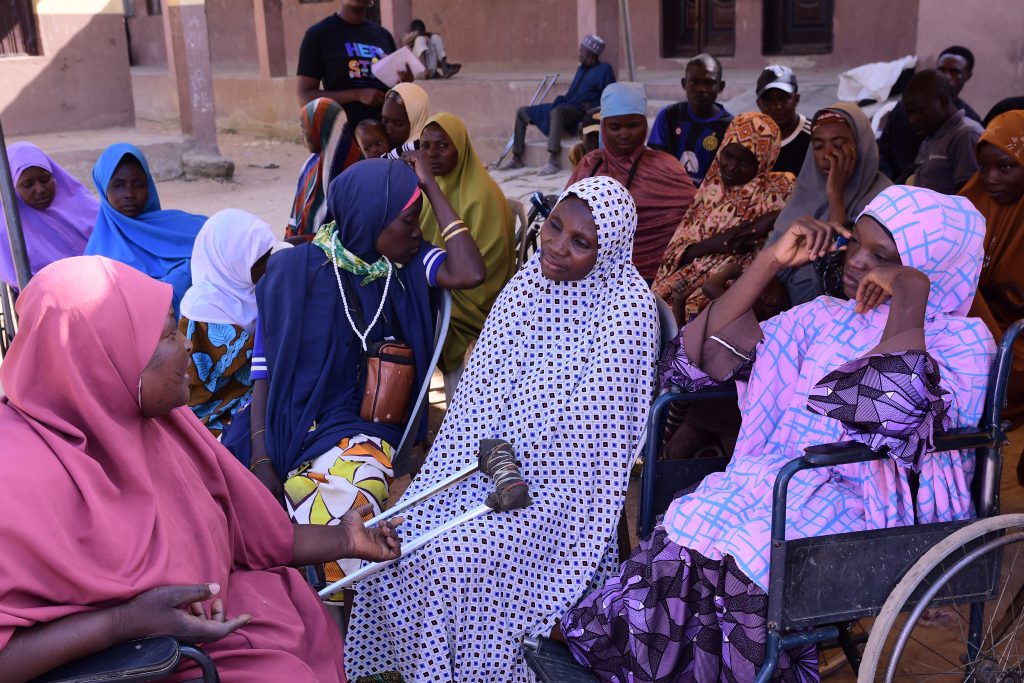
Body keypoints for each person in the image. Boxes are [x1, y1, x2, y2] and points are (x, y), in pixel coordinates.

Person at [563, 185, 994, 680]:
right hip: (784, 477)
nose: (857, 261)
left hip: (869, 502)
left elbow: (888, 415)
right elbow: (702, 357)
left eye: (884, 257)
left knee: (748, 549)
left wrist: (911, 292)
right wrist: (770, 260)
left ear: (931, 267)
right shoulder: (827, 315)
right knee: (693, 523)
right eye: (856, 242)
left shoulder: (961, 342)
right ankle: (650, 663)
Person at [0, 255, 404, 682]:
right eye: (169, 334)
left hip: (220, 624)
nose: (188, 344)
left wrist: (345, 539)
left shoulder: (164, 424)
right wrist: (125, 622)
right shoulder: (18, 481)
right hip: (140, 662)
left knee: (300, 613)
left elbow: (253, 536)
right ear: (105, 360)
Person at [346, 176, 659, 683]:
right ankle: (411, 669)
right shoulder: (529, 280)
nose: (557, 247)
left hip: (558, 492)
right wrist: (487, 459)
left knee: (446, 560)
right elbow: (479, 393)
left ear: (609, 252)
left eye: (581, 242)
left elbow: (590, 444)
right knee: (394, 538)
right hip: (487, 463)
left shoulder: (627, 311)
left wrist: (512, 464)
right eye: (554, 227)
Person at [237, 158, 485, 593]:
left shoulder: (406, 264)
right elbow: (265, 373)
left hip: (364, 429)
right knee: (228, 497)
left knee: (348, 506)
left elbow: (470, 271)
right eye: (408, 221)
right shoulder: (293, 271)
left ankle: (336, 605)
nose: (418, 233)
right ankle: (282, 597)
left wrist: (431, 186)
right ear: (371, 218)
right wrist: (260, 457)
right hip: (283, 420)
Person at [653, 112, 795, 322]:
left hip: (733, 283)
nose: (732, 167)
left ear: (764, 160)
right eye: (728, 155)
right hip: (685, 279)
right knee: (650, 311)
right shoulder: (711, 189)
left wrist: (765, 221)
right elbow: (677, 252)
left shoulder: (779, 188)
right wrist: (729, 239)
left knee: (691, 322)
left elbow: (797, 216)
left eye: (744, 161)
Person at [417, 113, 517, 398]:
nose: (432, 154)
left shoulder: (481, 196)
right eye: (425, 146)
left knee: (410, 317)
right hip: (445, 282)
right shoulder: (432, 187)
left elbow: (486, 272)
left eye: (443, 145)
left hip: (474, 301)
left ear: (460, 147)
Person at [567, 83, 696, 282]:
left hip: (654, 280)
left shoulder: (667, 168)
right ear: (603, 127)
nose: (624, 134)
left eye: (633, 125)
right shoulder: (590, 165)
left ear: (644, 124)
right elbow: (566, 220)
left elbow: (695, 219)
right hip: (591, 277)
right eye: (615, 127)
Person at [767, 103, 892, 305]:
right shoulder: (807, 189)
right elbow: (770, 257)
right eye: (818, 146)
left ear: (861, 145)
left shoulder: (884, 201)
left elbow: (836, 276)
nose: (827, 155)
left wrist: (835, 195)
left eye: (839, 145)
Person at [179, 209, 277, 437]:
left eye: (269, 255)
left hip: (258, 392)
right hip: (213, 405)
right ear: (232, 264)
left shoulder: (257, 289)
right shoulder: (201, 309)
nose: (269, 266)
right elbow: (197, 381)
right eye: (260, 262)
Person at [84, 143, 206, 315]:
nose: (129, 194)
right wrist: (183, 274)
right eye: (119, 185)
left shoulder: (185, 226)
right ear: (104, 188)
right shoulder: (97, 257)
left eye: (139, 184)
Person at [963, 112, 1024, 437]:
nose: (990, 179)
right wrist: (988, 292)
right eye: (983, 167)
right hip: (978, 326)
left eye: (1006, 167)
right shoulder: (972, 201)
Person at [504, 34, 615, 175]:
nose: (579, 54)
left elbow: (609, 96)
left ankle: (553, 160)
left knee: (557, 112)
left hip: (581, 111)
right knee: (522, 112)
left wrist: (593, 106)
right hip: (566, 103)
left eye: (582, 51)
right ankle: (517, 157)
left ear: (590, 53)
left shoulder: (604, 69)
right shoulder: (582, 69)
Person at [0, 142, 97, 289]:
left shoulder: (83, 205)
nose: (40, 189)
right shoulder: (7, 232)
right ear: (13, 187)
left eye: (45, 179)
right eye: (28, 184)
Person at [879, 46, 982, 182]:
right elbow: (883, 153)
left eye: (954, 72)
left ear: (967, 76)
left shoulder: (967, 129)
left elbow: (967, 185)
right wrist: (889, 185)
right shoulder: (902, 109)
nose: (947, 77)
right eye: (942, 70)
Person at [296, 0, 401, 128]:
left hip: (383, 134)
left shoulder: (383, 36)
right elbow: (305, 97)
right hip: (342, 133)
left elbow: (394, 90)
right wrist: (357, 95)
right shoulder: (318, 34)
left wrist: (403, 82)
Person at [648, 54, 733, 187]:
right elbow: (655, 161)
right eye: (695, 82)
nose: (701, 89)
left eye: (709, 83)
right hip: (670, 191)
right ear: (684, 84)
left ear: (720, 86)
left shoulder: (730, 126)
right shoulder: (668, 116)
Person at [288, 97, 360, 239]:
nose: (302, 136)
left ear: (320, 129)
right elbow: (294, 219)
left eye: (304, 128)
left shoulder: (355, 171)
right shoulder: (310, 166)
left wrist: (301, 242)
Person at [904, 69, 984, 195]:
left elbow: (969, 194)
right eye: (909, 114)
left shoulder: (965, 134)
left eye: (919, 112)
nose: (912, 120)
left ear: (943, 102)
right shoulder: (931, 136)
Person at [755, 65, 811, 176]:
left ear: (796, 99)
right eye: (768, 100)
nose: (777, 106)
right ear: (759, 104)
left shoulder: (815, 136)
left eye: (783, 98)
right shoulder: (751, 138)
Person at [380, 82, 431, 153]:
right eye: (385, 121)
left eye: (398, 123)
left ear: (417, 121)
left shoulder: (418, 155)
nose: (388, 130)